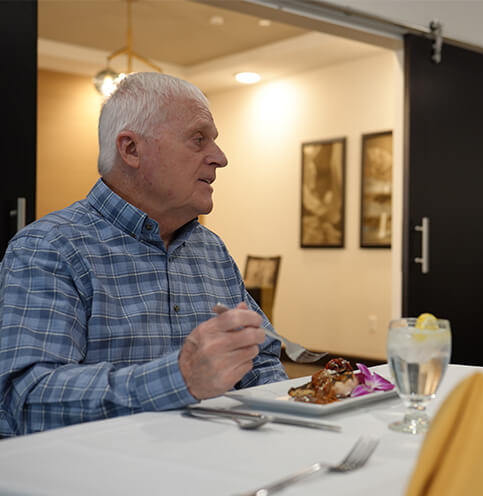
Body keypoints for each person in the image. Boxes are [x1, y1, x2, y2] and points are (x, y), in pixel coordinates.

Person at [0, 72, 287, 436]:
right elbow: (27, 401)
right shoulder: (49, 248)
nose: (220, 158)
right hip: (99, 480)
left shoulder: (210, 250)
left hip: (216, 468)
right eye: (199, 140)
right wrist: (179, 378)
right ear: (131, 149)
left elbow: (261, 361)